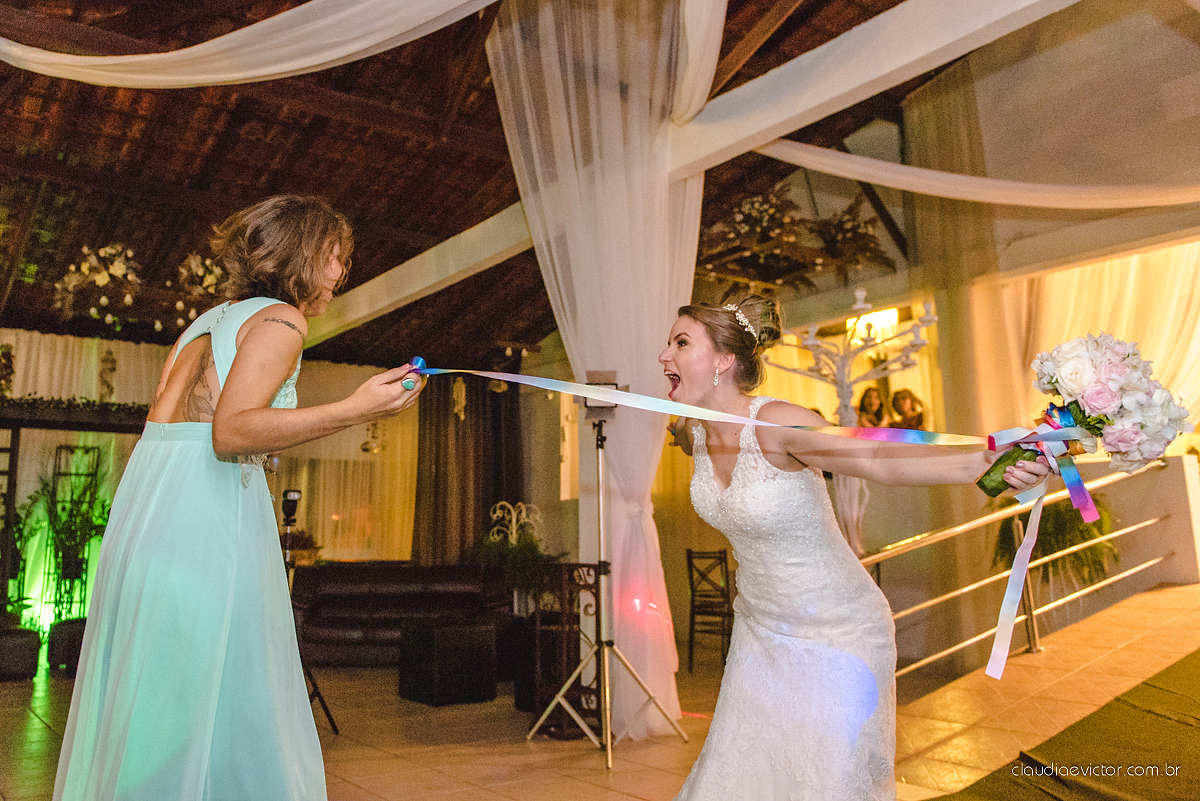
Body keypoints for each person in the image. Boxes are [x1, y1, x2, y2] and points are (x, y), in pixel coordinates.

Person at [53, 196, 425, 801]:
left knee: (162, 697)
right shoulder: (282, 320)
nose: (342, 271)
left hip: (154, 507)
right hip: (210, 509)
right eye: (336, 255)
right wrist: (355, 409)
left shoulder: (208, 320)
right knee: (239, 693)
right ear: (302, 252)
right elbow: (231, 433)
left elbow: (169, 426)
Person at [658, 295, 1048, 801]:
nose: (664, 356)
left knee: (827, 782)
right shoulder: (694, 433)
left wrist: (983, 464)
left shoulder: (777, 424)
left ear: (724, 360)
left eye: (680, 343)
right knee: (743, 777)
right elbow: (683, 436)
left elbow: (878, 459)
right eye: (668, 344)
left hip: (840, 634)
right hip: (760, 634)